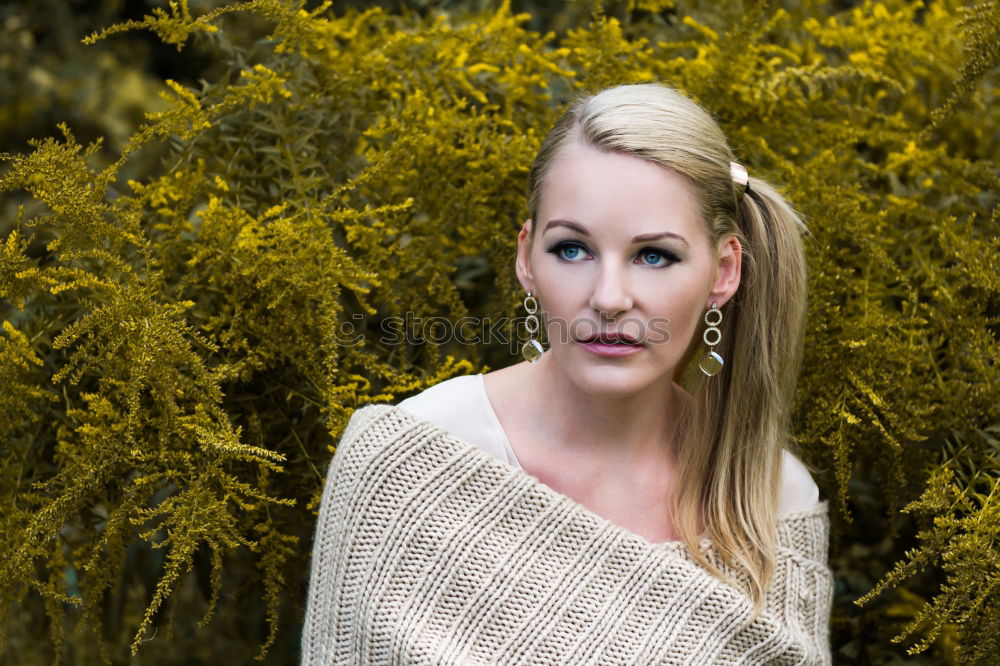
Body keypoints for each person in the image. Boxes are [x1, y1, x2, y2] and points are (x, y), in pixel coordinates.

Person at [301, 83, 833, 665]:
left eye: (654, 255)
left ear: (723, 271)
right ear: (527, 258)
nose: (608, 299)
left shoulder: (771, 497)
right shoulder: (405, 464)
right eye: (573, 249)